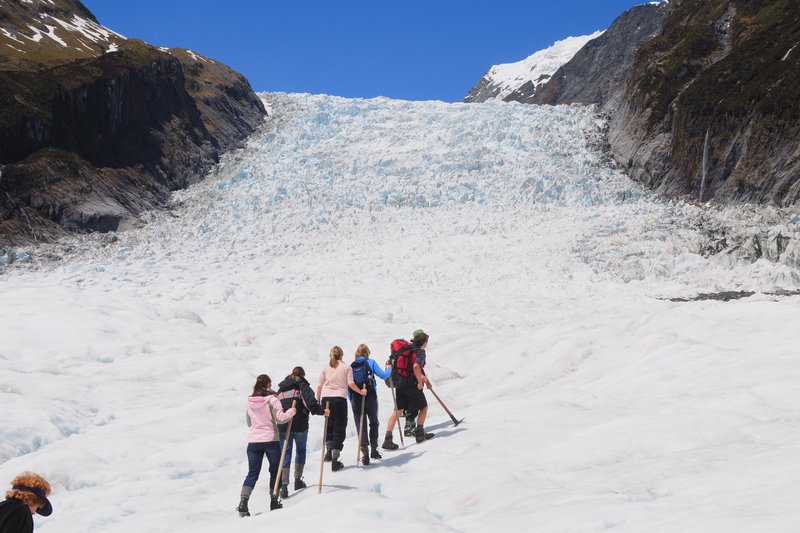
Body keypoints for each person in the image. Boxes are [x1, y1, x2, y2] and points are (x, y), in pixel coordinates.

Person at [237, 374, 296, 517]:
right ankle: (274, 500)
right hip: (270, 440)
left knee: (252, 473)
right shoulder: (273, 400)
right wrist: (291, 411)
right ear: (269, 385)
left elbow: (249, 423)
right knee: (275, 470)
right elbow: (281, 419)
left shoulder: (250, 402)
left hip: (254, 442)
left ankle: (243, 502)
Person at [276, 366, 329, 498]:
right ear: (303, 376)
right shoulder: (301, 385)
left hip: (283, 426)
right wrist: (322, 411)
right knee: (300, 451)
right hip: (300, 425)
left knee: (285, 454)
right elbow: (311, 403)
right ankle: (298, 480)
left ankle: (284, 485)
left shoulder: (281, 388)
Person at [317, 346, 365, 471]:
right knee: (339, 426)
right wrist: (361, 392)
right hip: (339, 399)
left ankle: (328, 451)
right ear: (341, 355)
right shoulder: (346, 367)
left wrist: (318, 400)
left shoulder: (326, 368)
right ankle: (335, 458)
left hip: (325, 398)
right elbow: (351, 384)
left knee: (329, 425)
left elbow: (319, 386)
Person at [383, 329, 434, 447]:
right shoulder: (419, 352)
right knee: (424, 407)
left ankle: (388, 439)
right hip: (411, 384)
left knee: (398, 411)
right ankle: (420, 434)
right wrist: (420, 383)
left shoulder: (407, 348)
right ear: (424, 342)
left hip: (400, 385)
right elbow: (416, 366)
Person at [348, 344, 392, 465]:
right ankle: (374, 450)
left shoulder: (351, 366)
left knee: (360, 425)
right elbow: (383, 375)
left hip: (356, 398)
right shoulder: (371, 362)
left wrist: (351, 399)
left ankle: (365, 454)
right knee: (373, 422)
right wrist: (389, 368)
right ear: (367, 352)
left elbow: (349, 386)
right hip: (370, 396)